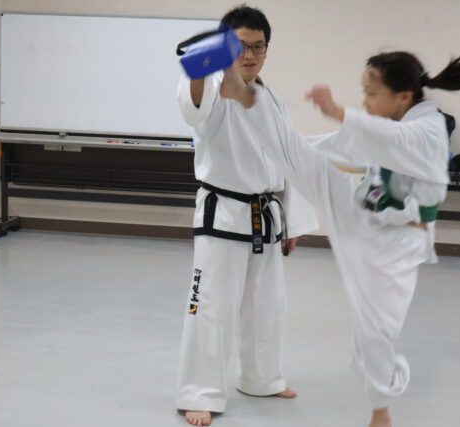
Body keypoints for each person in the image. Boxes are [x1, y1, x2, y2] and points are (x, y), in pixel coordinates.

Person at [220, 41, 460, 427]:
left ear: (403, 96)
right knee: (300, 155)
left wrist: (338, 112)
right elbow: (333, 146)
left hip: (395, 244)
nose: (365, 101)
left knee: (374, 337)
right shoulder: (390, 123)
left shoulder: (427, 128)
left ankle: (381, 412)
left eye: (371, 93)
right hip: (362, 216)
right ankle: (247, 97)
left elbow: (396, 143)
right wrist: (272, 150)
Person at [175, 5, 318, 426]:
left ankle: (262, 379)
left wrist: (293, 221)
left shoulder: (273, 100)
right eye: (240, 46)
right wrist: (200, 66)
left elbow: (290, 161)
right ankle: (199, 392)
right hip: (222, 216)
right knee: (209, 307)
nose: (250, 55)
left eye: (259, 46)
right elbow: (193, 105)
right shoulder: (214, 88)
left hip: (266, 216)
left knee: (267, 306)